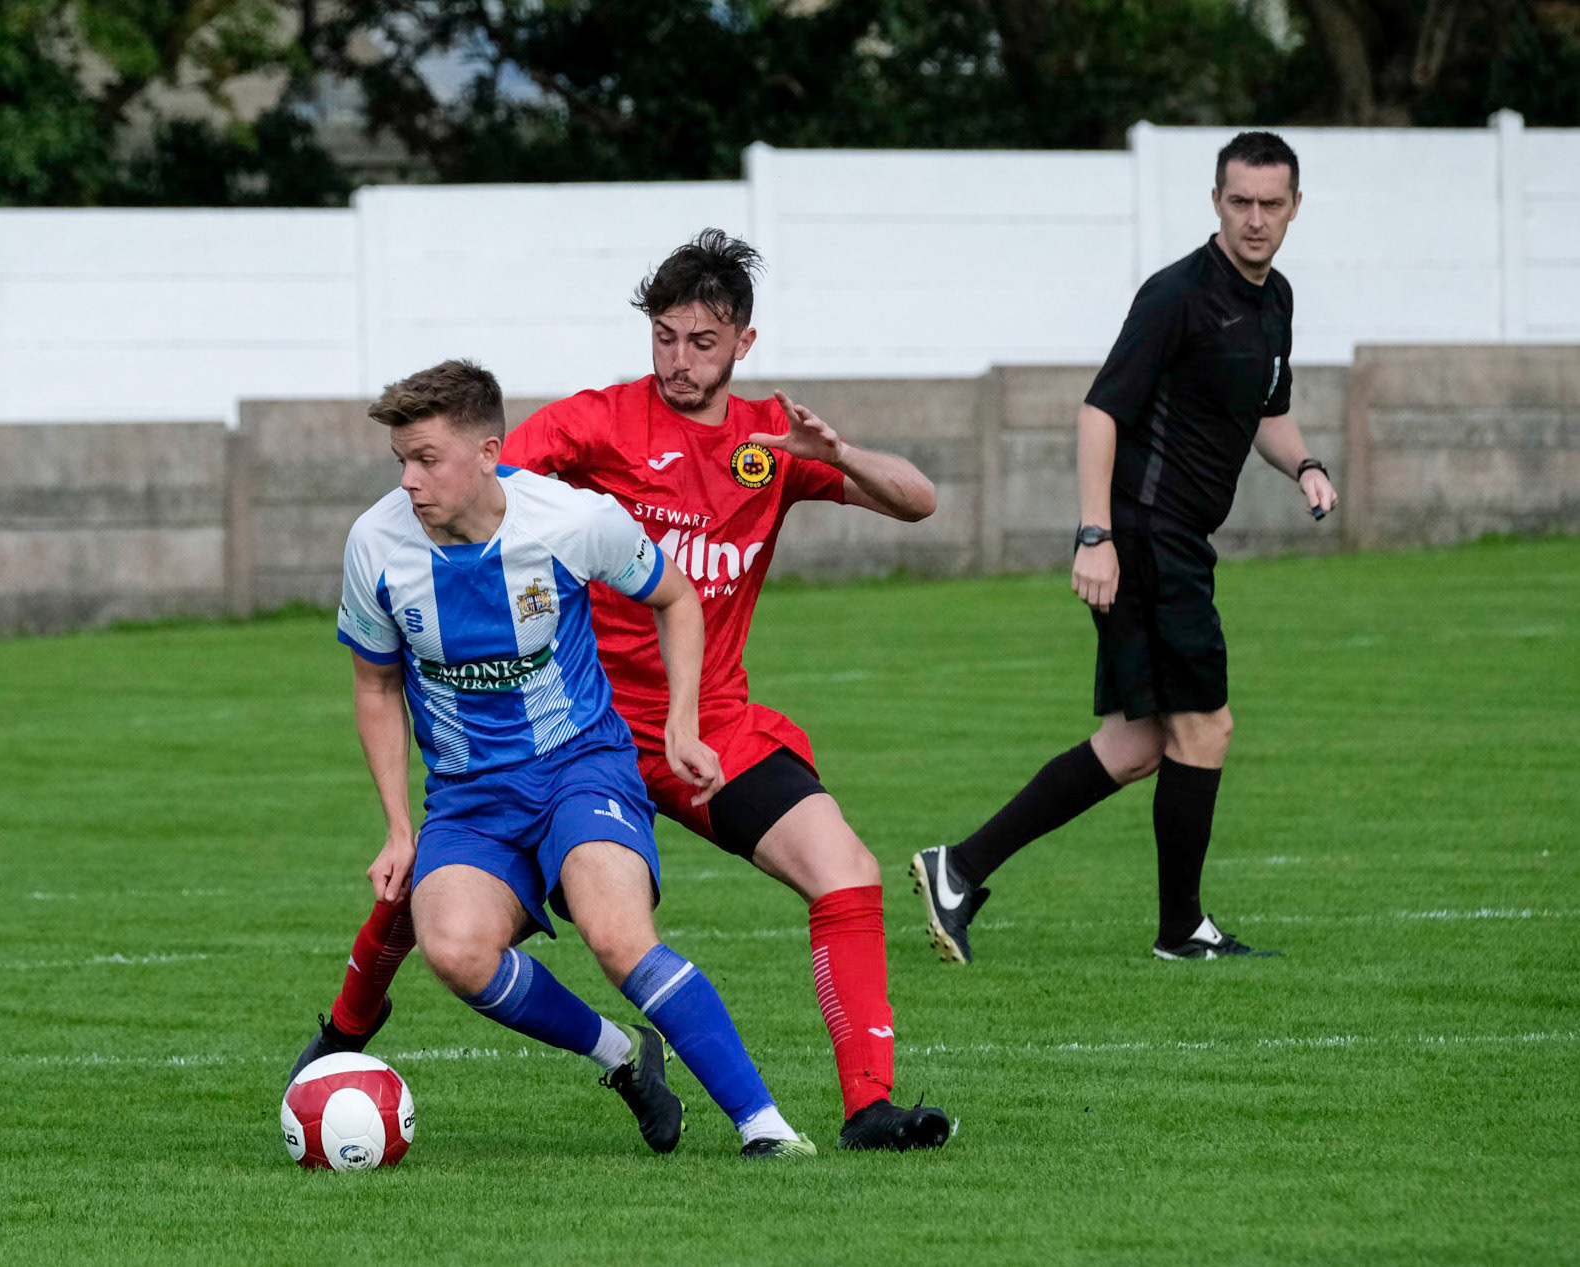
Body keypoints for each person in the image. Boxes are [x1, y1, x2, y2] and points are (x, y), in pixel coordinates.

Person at [296, 231, 954, 1152]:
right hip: (579, 724)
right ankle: (344, 1034)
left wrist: (837, 456)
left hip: (701, 731)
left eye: (702, 342)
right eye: (664, 337)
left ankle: (868, 1107)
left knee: (843, 868)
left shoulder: (769, 443)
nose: (679, 361)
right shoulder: (599, 423)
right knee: (437, 893)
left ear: (744, 345)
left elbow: (919, 501)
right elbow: (494, 483)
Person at [332, 358, 815, 1159]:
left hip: (579, 767)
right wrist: (396, 826)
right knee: (453, 948)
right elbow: (375, 685)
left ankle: (765, 1127)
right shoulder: (375, 544)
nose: (410, 481)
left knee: (618, 936)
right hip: (467, 796)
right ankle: (619, 1056)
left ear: (488, 453)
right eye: (401, 462)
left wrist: (683, 725)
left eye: (427, 459)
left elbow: (676, 595)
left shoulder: (570, 520)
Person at [911, 131, 1339, 964]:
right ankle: (1182, 930)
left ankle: (957, 869)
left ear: (1294, 207)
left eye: (1271, 204)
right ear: (1216, 201)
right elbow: (1100, 410)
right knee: (1205, 727)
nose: (1255, 219)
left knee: (1142, 743)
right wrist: (1094, 534)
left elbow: (1268, 413)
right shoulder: (1176, 294)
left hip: (1176, 540)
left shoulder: (1275, 298)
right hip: (1148, 535)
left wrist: (1308, 465)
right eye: (1240, 202)